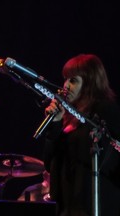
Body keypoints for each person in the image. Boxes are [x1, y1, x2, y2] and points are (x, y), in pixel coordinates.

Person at [43, 53, 120, 216]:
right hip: (67, 206)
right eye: (65, 79)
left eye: (73, 80)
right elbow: (49, 163)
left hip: (97, 205)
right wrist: (55, 125)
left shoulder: (105, 111)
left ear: (90, 83)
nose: (65, 86)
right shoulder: (65, 117)